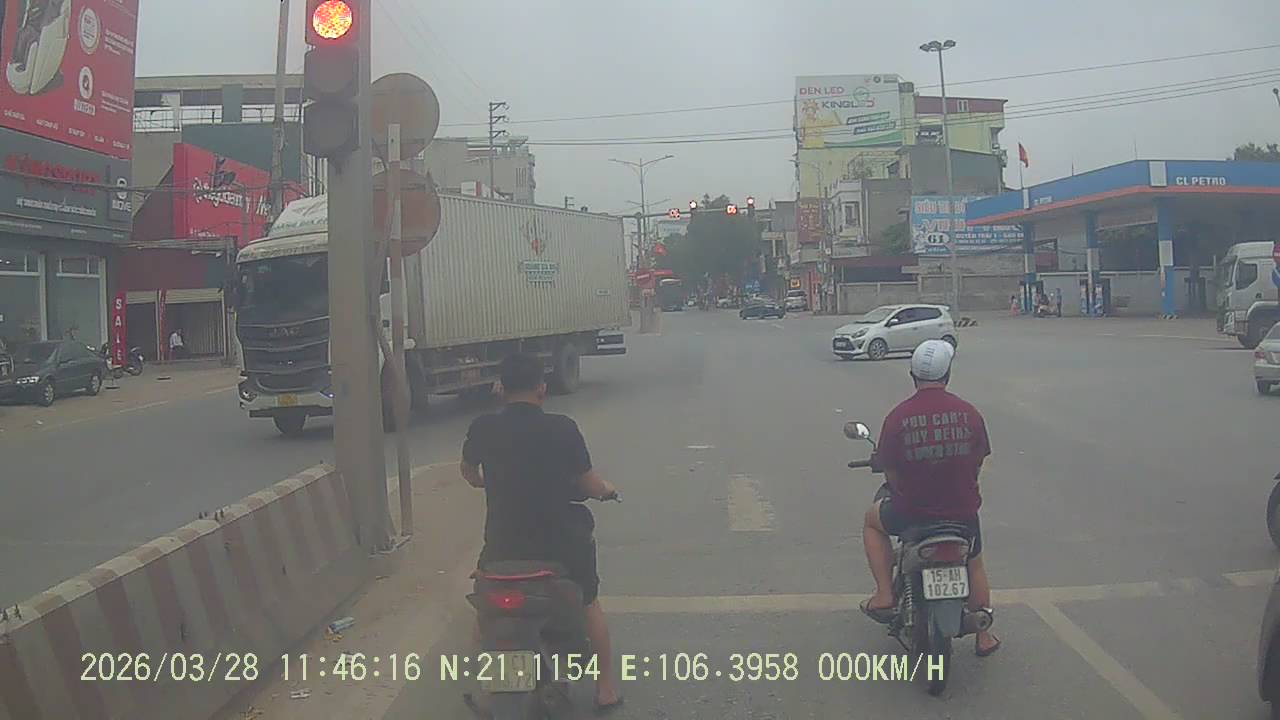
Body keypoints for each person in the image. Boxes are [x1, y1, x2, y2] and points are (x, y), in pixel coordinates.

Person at [460, 352, 623, 710]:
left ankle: (479, 688)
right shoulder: (563, 428)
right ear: (542, 388)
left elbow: (469, 473)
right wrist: (607, 491)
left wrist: (489, 482)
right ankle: (605, 688)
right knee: (589, 601)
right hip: (560, 548)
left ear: (500, 388)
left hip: (501, 547)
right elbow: (590, 484)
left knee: (485, 609)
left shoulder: (483, 427)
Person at [859, 339, 1001, 657]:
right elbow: (978, 462)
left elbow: (891, 473)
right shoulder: (969, 413)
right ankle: (984, 635)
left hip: (912, 513)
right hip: (961, 514)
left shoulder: (898, 417)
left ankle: (884, 594)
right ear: (947, 374)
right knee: (974, 562)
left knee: (871, 522)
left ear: (913, 375)